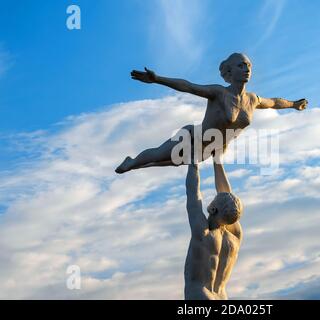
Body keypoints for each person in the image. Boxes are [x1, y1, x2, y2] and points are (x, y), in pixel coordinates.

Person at [115, 53, 307, 173]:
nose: (247, 68)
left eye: (249, 65)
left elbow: (274, 102)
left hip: (210, 150)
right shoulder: (219, 92)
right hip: (191, 138)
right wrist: (157, 79)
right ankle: (132, 162)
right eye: (241, 65)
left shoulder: (253, 99)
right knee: (158, 155)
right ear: (230, 72)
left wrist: (293, 104)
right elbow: (188, 86)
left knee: (165, 163)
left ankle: (137, 165)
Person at [184, 162, 242, 300]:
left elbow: (193, 193)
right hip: (221, 296)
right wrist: (218, 161)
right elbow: (227, 195)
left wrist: (193, 161)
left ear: (212, 209)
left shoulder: (203, 233)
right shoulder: (235, 237)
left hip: (200, 294)